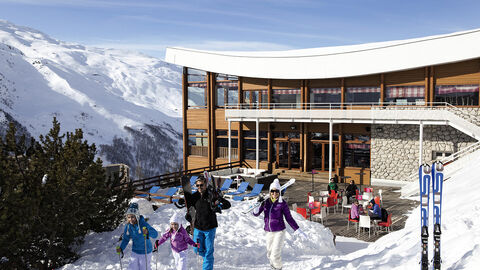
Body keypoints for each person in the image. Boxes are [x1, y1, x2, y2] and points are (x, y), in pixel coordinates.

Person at [253, 179, 306, 270]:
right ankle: (274, 267)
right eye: (272, 191)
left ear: (279, 192)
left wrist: (298, 229)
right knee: (269, 254)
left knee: (275, 254)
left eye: (277, 191)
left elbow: (289, 218)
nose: (274, 193)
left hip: (279, 231)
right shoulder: (266, 202)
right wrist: (257, 205)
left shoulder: (282, 204)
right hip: (268, 231)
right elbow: (256, 214)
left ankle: (278, 268)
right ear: (270, 192)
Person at [186, 176, 231, 270]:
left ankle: (207, 265)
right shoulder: (194, 197)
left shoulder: (212, 196)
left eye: (201, 185)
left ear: (206, 185)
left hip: (210, 228)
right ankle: (207, 258)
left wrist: (219, 204)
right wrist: (188, 216)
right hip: (198, 227)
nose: (199, 187)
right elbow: (190, 209)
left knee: (209, 251)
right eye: (197, 185)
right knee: (197, 249)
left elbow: (228, 205)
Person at [117, 202, 158, 270]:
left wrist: (148, 231)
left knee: (144, 268)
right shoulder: (128, 226)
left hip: (145, 251)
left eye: (133, 217)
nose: (131, 219)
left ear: (137, 216)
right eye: (129, 217)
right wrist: (121, 248)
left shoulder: (143, 224)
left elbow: (155, 234)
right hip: (135, 251)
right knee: (132, 268)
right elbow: (126, 239)